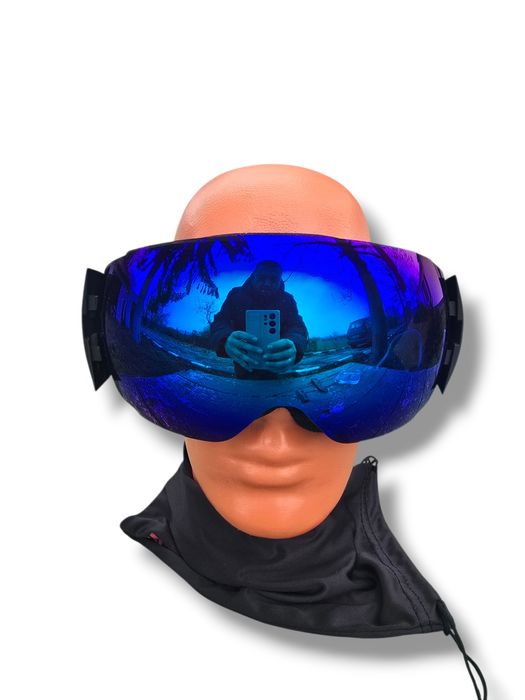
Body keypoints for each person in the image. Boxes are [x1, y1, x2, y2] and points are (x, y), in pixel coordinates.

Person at [209, 259, 309, 379]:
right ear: (253, 276)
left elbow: (296, 326)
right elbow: (220, 321)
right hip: (242, 366)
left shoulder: (287, 300)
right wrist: (225, 340)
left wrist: (294, 345)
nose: (267, 283)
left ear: (279, 280)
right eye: (262, 277)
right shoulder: (236, 294)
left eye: (273, 279)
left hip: (278, 367)